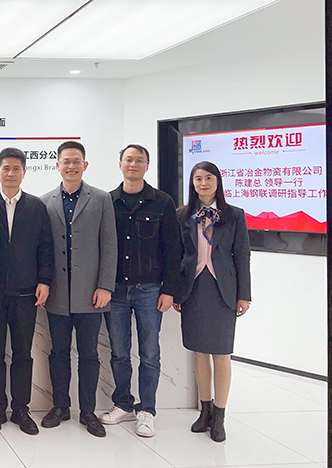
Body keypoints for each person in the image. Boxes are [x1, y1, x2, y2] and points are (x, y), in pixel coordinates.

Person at [100, 144, 181, 437]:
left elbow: (173, 249)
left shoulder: (162, 202)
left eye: (139, 160)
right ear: (120, 164)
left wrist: (169, 290)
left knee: (149, 353)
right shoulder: (108, 201)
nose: (133, 164)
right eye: (128, 159)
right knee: (119, 353)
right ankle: (123, 404)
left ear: (147, 166)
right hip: (115, 291)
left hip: (149, 290)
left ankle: (147, 410)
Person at [41, 141, 117, 438]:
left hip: (91, 294)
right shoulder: (46, 201)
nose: (71, 166)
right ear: (57, 165)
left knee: (89, 354)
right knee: (58, 352)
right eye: (66, 161)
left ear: (85, 165)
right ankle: (60, 406)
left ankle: (88, 411)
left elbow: (109, 246)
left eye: (76, 161)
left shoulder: (101, 199)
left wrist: (105, 286)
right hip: (57, 293)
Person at [174, 161, 251, 443]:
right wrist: (176, 291)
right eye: (198, 179)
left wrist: (244, 294)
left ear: (217, 181)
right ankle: (204, 411)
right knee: (198, 352)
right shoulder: (182, 215)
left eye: (208, 178)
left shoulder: (234, 215)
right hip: (193, 288)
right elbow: (176, 255)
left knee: (221, 353)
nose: (203, 183)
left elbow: (242, 255)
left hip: (223, 289)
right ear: (192, 183)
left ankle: (220, 416)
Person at [0, 147, 53, 435]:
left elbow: (46, 247)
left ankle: (21, 409)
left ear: (24, 172)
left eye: (16, 168)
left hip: (26, 293)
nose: (10, 173)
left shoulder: (37, 206)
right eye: (6, 168)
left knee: (23, 354)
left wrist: (44, 281)